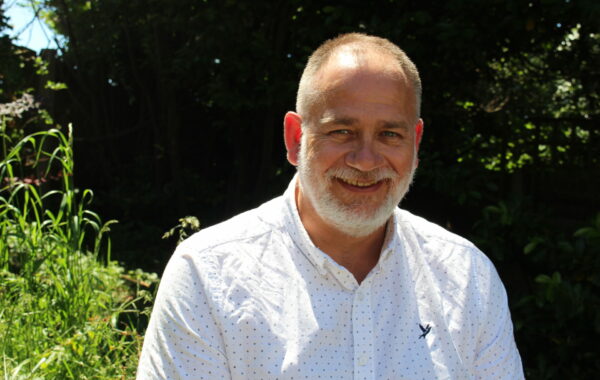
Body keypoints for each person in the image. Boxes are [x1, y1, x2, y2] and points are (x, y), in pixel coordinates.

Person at [137, 33, 524, 379]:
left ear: (416, 144)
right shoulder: (208, 277)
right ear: (294, 138)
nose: (366, 160)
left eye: (390, 134)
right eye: (342, 131)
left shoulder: (467, 277)